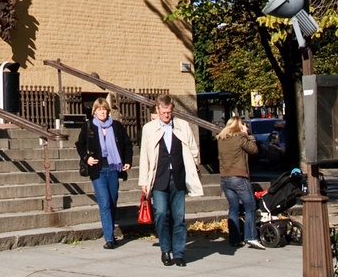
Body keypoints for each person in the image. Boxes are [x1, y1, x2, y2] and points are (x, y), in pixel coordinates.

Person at [138, 95, 203, 266]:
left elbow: (193, 150)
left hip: (178, 177)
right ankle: (166, 249)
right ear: (158, 110)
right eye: (163, 112)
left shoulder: (182, 126)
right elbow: (144, 156)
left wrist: (194, 168)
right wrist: (144, 181)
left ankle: (179, 253)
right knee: (161, 214)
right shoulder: (149, 129)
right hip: (159, 178)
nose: (166, 115)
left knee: (178, 217)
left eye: (169, 112)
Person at [77, 97, 132, 249]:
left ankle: (111, 233)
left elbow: (127, 144)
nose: (102, 112)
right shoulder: (89, 126)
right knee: (105, 202)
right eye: (99, 109)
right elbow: (80, 145)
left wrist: (127, 161)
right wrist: (87, 158)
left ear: (108, 111)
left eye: (104, 109)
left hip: (114, 168)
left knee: (113, 202)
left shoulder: (116, 126)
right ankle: (109, 238)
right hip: (98, 169)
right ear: (94, 111)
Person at [216, 115, 265, 250]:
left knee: (233, 208)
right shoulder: (240, 138)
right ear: (239, 126)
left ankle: (234, 239)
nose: (246, 127)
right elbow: (254, 150)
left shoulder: (221, 139)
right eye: (244, 125)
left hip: (225, 178)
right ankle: (251, 237)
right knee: (250, 207)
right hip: (239, 177)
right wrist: (249, 136)